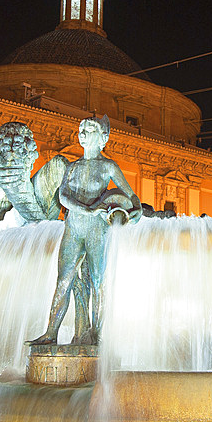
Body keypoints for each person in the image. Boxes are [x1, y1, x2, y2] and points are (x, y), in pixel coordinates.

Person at [31, 115, 141, 346]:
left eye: (88, 129)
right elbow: (62, 196)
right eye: (80, 129)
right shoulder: (72, 167)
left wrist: (137, 210)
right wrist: (87, 209)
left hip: (97, 231)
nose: (82, 133)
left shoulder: (108, 166)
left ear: (103, 137)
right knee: (63, 280)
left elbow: (130, 195)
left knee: (99, 281)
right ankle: (51, 332)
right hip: (73, 228)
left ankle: (98, 336)